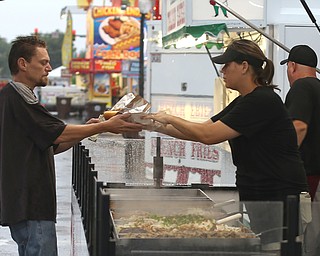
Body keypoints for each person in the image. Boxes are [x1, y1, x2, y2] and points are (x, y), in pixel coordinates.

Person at [144, 39, 308, 247]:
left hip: (280, 197)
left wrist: (169, 117)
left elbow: (207, 135)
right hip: (261, 195)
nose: (222, 70)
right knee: (265, 247)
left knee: (276, 250)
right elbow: (199, 130)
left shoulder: (263, 100)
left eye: (227, 64)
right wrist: (150, 125)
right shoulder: (244, 100)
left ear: (244, 66)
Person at [0, 36, 143, 256]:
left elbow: (52, 144)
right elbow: (59, 132)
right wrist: (103, 126)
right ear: (23, 64)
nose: (48, 68)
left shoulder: (15, 97)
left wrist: (86, 130)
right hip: (31, 206)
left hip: (26, 206)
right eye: (43, 62)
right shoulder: (20, 97)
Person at [280, 44, 320, 256]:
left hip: (311, 176)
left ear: (292, 66)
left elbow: (299, 126)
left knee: (307, 237)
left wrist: (281, 161)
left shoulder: (301, 87)